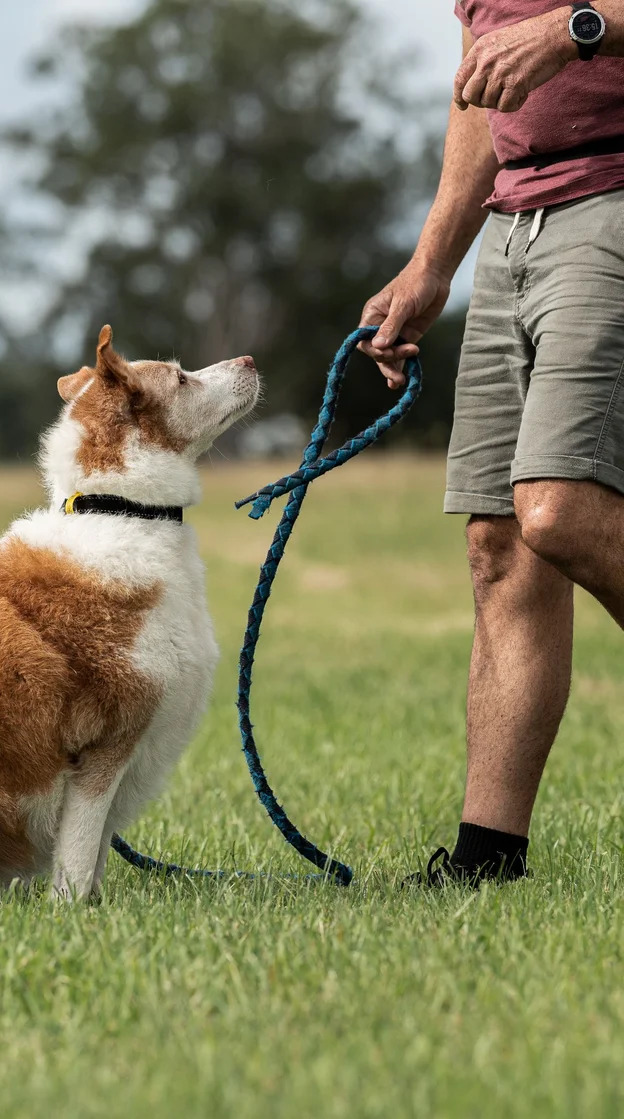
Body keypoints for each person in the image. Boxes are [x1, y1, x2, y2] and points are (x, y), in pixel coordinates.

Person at [359, 2, 624, 885]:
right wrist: (433, 262)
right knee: (502, 547)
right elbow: (481, 83)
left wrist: (574, 30)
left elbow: (539, 43)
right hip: (515, 227)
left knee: (559, 507)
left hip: (613, 198)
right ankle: (485, 864)